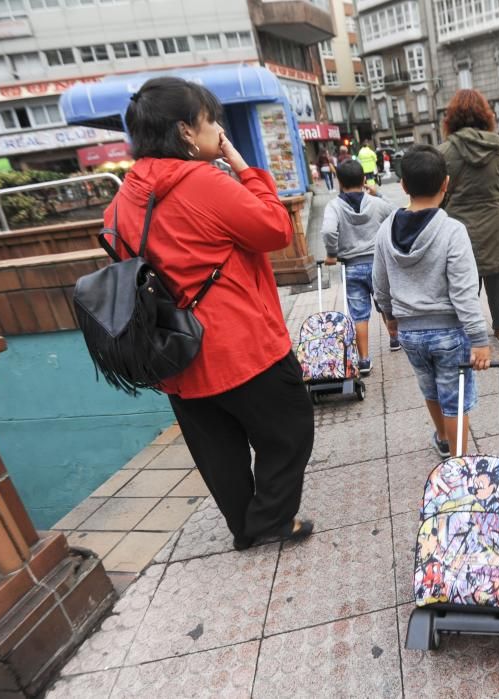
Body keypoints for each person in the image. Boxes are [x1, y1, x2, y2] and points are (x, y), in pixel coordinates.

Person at [116, 76, 313, 551]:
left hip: (174, 353)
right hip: (239, 345)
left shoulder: (125, 198)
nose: (218, 130)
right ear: (186, 131)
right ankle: (270, 519)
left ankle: (244, 528)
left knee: (217, 450)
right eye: (211, 121)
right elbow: (273, 230)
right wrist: (242, 164)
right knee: (289, 431)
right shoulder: (201, 181)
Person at [373, 145, 492, 458]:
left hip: (410, 332)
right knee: (455, 397)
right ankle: (458, 462)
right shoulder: (452, 231)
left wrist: (390, 317)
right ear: (446, 183)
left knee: (430, 388)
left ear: (403, 186)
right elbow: (464, 291)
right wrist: (479, 339)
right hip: (449, 332)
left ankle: (442, 438)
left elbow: (380, 283)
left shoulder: (385, 231)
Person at [439, 89, 499, 338]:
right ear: (486, 115)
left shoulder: (444, 151)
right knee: (498, 278)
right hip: (496, 221)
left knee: (463, 280)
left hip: (457, 225)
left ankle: (465, 328)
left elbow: (438, 194)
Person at [322, 159, 398, 375]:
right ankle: (394, 339)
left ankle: (364, 360)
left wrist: (331, 253)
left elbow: (328, 231)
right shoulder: (374, 203)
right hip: (378, 264)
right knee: (385, 303)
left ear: (339, 181)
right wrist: (378, 193)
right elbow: (395, 212)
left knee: (359, 314)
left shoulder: (334, 206)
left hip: (352, 267)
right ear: (364, 180)